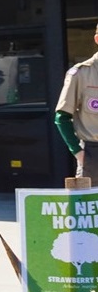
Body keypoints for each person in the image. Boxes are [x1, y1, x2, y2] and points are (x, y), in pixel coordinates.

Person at [56, 22, 98, 178]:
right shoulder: (80, 73)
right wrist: (79, 154)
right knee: (89, 201)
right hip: (93, 156)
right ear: (97, 39)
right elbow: (62, 117)